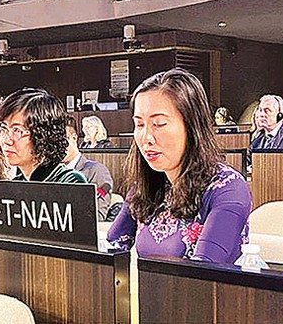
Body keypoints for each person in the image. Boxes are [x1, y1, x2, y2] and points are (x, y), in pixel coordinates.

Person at [107, 68, 251, 263]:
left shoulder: (228, 188)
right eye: (139, 125)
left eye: (159, 124)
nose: (146, 138)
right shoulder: (147, 184)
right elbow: (112, 247)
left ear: (192, 127)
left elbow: (202, 273)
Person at [0, 88, 86, 183]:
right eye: (4, 129)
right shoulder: (16, 183)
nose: (7, 140)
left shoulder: (70, 181)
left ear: (42, 135)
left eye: (17, 130)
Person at [63, 117, 113, 221]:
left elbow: (98, 216)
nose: (60, 146)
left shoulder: (96, 171)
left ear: (74, 137)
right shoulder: (51, 172)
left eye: (64, 139)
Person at [248, 95, 283, 162]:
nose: (261, 114)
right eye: (260, 110)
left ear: (280, 115)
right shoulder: (256, 142)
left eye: (267, 111)